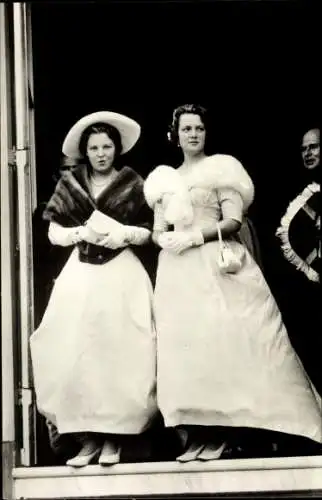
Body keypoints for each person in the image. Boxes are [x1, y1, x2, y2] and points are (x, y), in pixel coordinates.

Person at [144, 104, 322, 462]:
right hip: (177, 272)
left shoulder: (222, 169)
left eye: (199, 128)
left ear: (206, 133)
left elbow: (233, 222)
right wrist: (162, 238)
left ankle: (224, 432)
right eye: (186, 129)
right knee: (185, 347)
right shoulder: (163, 178)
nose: (193, 134)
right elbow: (158, 228)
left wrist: (195, 237)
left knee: (220, 344)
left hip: (213, 262)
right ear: (175, 135)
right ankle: (195, 432)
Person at [30, 111, 157, 467]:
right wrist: (78, 234)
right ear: (85, 151)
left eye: (107, 147)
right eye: (94, 147)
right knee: (78, 349)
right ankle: (87, 438)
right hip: (82, 274)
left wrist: (125, 234)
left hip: (120, 273)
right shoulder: (71, 183)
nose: (101, 153)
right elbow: (54, 232)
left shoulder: (133, 183)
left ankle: (116, 437)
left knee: (120, 351)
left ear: (116, 149)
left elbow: (149, 230)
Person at [276, 127, 321, 395]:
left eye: (313, 147)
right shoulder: (298, 192)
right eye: (304, 149)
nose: (308, 153)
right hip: (309, 290)